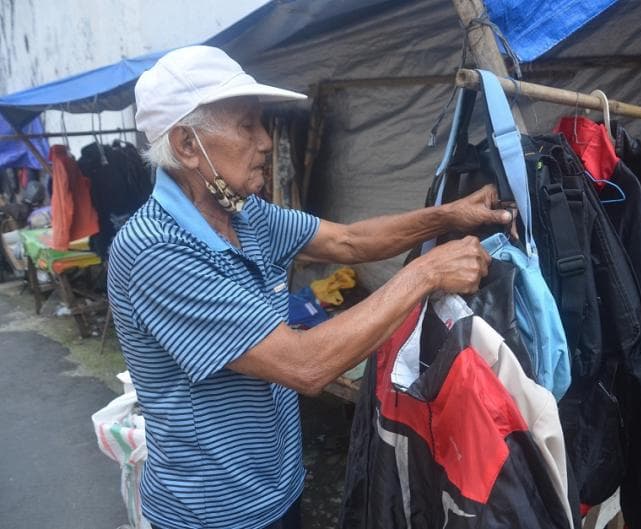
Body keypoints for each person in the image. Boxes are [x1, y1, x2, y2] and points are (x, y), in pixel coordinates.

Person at [107, 45, 511, 529]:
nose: (265, 142)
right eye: (247, 125)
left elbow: (348, 240)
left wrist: (448, 215)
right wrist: (425, 274)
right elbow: (304, 365)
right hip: (214, 513)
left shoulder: (244, 213)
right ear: (188, 145)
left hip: (277, 486)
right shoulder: (156, 251)